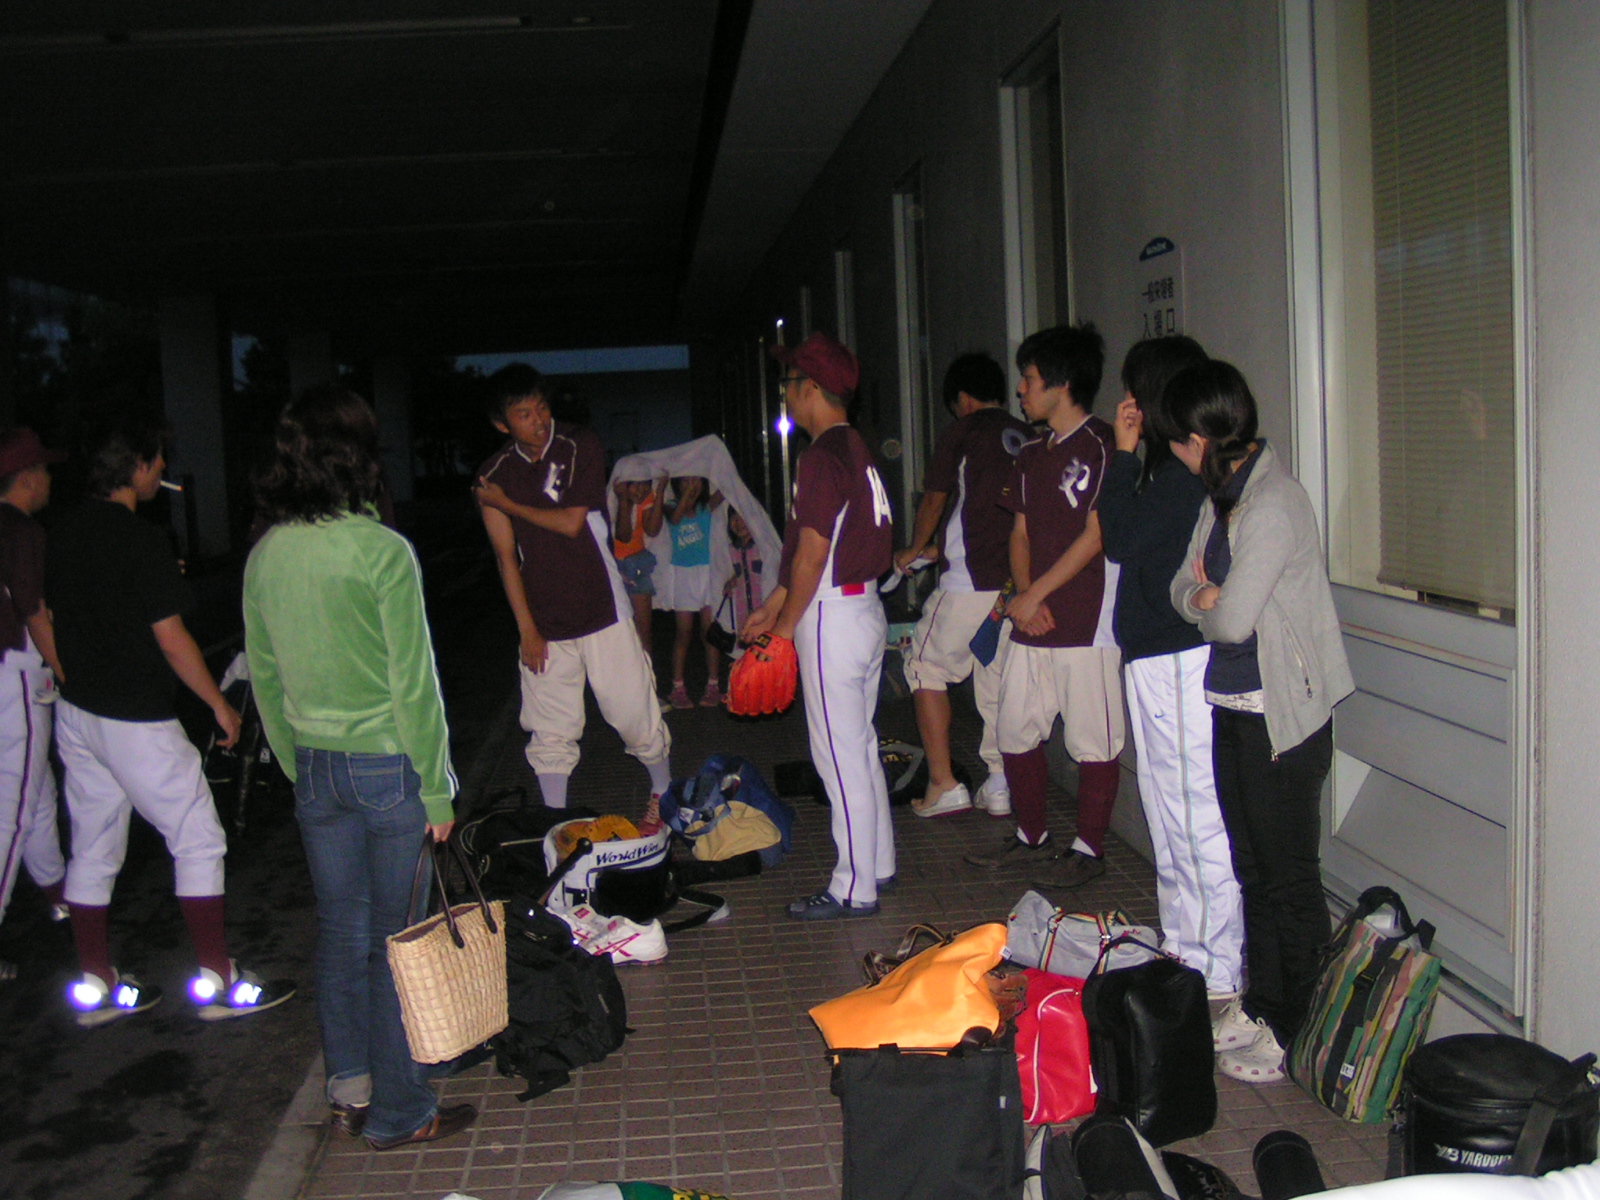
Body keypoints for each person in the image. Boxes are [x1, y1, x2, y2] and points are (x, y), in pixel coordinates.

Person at [245, 384, 475, 1151]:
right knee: (395, 940)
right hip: (388, 771)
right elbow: (415, 684)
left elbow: (266, 677)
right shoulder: (381, 552)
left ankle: (351, 1088)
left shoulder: (267, 555)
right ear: (358, 457)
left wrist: (297, 763)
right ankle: (402, 1110)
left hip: (315, 768)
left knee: (341, 934)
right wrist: (438, 788)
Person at [45, 419, 295, 1026]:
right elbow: (172, 637)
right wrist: (219, 703)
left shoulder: (62, 531)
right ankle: (218, 979)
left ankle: (96, 981)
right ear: (135, 464)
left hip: (78, 714)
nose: (161, 469)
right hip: (136, 717)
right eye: (157, 459)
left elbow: (51, 612)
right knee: (198, 836)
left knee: (93, 844)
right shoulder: (141, 538)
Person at [1167, 359, 1354, 1083]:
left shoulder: (1273, 501)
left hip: (1283, 718)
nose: (1175, 455)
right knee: (1252, 871)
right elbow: (1182, 586)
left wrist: (1209, 602)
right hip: (1233, 707)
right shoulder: (1220, 500)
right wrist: (1202, 597)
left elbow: (1234, 620)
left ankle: (1294, 1025)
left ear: (1198, 439)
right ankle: (1263, 1001)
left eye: (1176, 441)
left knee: (1288, 879)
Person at [1098, 337, 1244, 999]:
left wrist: (1122, 454)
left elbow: (1121, 537)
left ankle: (1217, 970)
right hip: (1156, 657)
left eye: (1135, 389)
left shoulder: (1184, 477)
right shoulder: (1171, 471)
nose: (1127, 402)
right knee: (1166, 810)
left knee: (1193, 813)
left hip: (1181, 660)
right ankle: (1185, 951)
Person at [473, 364, 673, 820]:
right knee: (549, 725)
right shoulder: (493, 473)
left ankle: (664, 793)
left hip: (600, 605)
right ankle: (554, 820)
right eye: (524, 414)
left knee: (631, 708)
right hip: (544, 617)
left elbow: (570, 522)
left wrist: (507, 503)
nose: (539, 420)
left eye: (542, 407)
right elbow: (506, 557)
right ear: (502, 424)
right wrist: (527, 629)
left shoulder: (578, 443)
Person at [741, 332, 895, 919]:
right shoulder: (855, 447)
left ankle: (853, 885)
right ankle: (878, 863)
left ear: (809, 388)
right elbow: (814, 552)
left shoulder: (821, 456)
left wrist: (783, 627)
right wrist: (775, 604)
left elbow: (812, 552)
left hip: (832, 615)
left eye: (789, 383)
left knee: (839, 755)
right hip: (861, 608)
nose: (785, 393)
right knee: (859, 746)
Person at [965, 323, 1124, 891]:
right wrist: (1024, 596)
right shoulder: (1031, 452)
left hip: (1086, 618)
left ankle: (1089, 849)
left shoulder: (1104, 444)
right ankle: (1031, 836)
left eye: (1029, 379)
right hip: (1032, 617)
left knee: (1093, 739)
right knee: (1013, 728)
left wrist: (1036, 594)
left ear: (1062, 383)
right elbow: (1020, 532)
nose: (1021, 390)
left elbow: (1097, 534)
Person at [895, 352, 1033, 820]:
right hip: (1017, 582)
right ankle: (999, 784)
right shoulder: (1026, 435)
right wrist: (941, 549)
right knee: (995, 677)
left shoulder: (965, 431)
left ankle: (943, 783)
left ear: (963, 399)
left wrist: (915, 547)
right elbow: (993, 515)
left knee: (923, 665)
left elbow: (936, 499)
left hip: (969, 582)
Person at [0, 427, 69, 983]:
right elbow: (32, 610)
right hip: (16, 677)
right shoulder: (22, 530)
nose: (49, 479)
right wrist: (65, 670)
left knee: (37, 790)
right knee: (15, 805)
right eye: (43, 470)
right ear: (25, 478)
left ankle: (59, 897)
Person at [663, 475, 725, 708]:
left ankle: (713, 685)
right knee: (684, 632)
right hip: (683, 574)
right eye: (685, 480)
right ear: (677, 483)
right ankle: (677, 687)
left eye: (696, 480)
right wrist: (687, 497)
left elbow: (728, 486)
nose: (691, 484)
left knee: (709, 631)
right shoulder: (670, 506)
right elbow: (676, 519)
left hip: (707, 572)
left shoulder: (705, 506)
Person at [612, 476, 665, 651]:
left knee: (644, 632)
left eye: (645, 484)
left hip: (638, 565)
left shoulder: (646, 496)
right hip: (615, 567)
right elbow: (623, 535)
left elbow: (653, 530)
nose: (641, 489)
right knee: (619, 633)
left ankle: (646, 668)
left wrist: (660, 492)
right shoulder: (612, 498)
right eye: (635, 484)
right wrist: (622, 500)